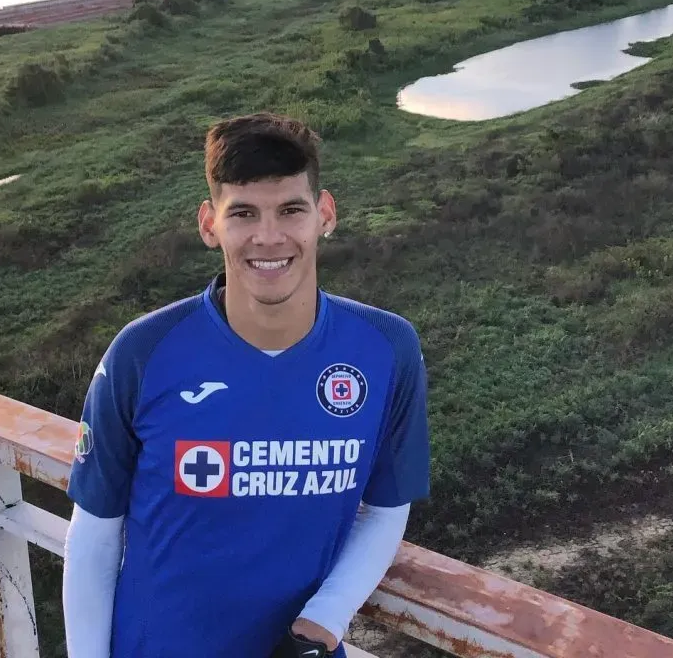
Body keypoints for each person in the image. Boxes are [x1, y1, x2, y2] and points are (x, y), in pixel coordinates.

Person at [63, 113, 430, 657]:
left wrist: (321, 623)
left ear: (324, 214)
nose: (268, 237)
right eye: (243, 214)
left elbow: (386, 506)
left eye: (290, 210)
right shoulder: (143, 354)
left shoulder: (385, 350)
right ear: (210, 225)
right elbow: (94, 536)